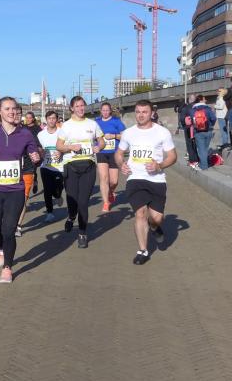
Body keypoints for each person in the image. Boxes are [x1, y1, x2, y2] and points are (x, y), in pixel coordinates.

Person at [0, 97, 40, 283]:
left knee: (9, 230)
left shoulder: (25, 134)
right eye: (7, 108)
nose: (12, 112)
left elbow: (35, 156)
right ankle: (0, 247)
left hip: (15, 189)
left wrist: (37, 158)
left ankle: (7, 268)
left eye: (14, 108)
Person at [115, 99, 177, 264]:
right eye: (138, 112)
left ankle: (155, 227)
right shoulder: (128, 133)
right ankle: (142, 250)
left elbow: (173, 156)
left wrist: (159, 165)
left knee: (156, 218)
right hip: (135, 178)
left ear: (152, 113)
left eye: (144, 112)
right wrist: (121, 164)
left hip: (156, 180)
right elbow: (119, 153)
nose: (140, 115)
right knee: (140, 213)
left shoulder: (162, 132)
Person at [56, 96, 105, 249]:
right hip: (71, 166)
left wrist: (99, 147)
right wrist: (70, 147)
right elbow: (59, 146)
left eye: (82, 105)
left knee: (83, 202)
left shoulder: (92, 124)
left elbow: (101, 141)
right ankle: (71, 216)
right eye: (77, 106)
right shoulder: (66, 126)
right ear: (72, 108)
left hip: (88, 166)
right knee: (72, 200)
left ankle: (82, 233)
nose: (80, 108)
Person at [16, 107, 43, 236]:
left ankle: (18, 226)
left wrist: (37, 154)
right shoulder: (5, 131)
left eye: (18, 114)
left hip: (27, 168)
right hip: (12, 170)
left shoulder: (30, 132)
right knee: (12, 199)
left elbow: (38, 147)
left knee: (23, 199)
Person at [96, 102, 125, 212]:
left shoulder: (116, 121)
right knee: (103, 178)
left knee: (114, 181)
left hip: (114, 153)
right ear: (100, 111)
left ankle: (110, 192)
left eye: (107, 110)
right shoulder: (96, 122)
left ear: (110, 111)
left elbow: (125, 136)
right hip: (101, 152)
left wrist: (114, 135)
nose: (105, 112)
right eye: (103, 110)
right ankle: (106, 203)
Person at [37, 110, 64, 222]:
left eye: (53, 118)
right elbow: (38, 147)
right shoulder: (41, 134)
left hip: (59, 167)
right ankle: (49, 212)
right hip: (46, 166)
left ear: (56, 119)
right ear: (46, 120)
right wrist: (40, 152)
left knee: (57, 190)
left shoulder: (62, 132)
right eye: (49, 118)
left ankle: (58, 196)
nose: (51, 120)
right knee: (47, 190)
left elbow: (67, 146)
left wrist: (61, 151)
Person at [189, 94, 216, 170]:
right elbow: (214, 118)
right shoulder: (208, 109)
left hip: (198, 132)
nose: (205, 100)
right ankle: (204, 163)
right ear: (201, 100)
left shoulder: (192, 110)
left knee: (201, 149)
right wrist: (211, 125)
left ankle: (203, 166)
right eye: (204, 99)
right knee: (205, 148)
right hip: (209, 131)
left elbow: (192, 120)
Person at [179, 95, 199, 167]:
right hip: (198, 128)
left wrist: (184, 126)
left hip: (188, 128)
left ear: (189, 100)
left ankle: (192, 160)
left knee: (189, 144)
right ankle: (197, 159)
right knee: (196, 144)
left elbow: (182, 119)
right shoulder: (198, 107)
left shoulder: (186, 108)